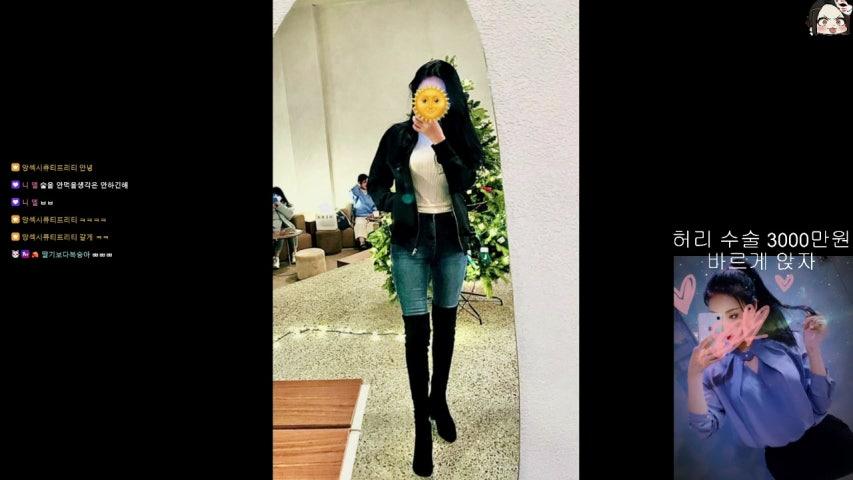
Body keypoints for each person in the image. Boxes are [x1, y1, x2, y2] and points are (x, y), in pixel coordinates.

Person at [368, 59, 483, 477]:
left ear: (448, 99)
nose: (429, 98)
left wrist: (440, 141)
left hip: (451, 241)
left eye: (438, 91)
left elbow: (465, 181)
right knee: (417, 335)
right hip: (410, 244)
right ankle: (421, 425)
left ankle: (440, 401)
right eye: (422, 90)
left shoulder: (458, 136)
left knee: (446, 326)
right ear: (415, 94)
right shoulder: (397, 136)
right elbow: (376, 183)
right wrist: (397, 204)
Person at [688, 267, 853, 480]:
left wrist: (813, 349)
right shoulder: (714, 370)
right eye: (717, 318)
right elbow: (703, 427)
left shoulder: (787, 341)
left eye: (734, 315)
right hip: (785, 463)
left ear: (754, 308)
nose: (726, 327)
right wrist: (694, 374)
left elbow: (821, 403)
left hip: (827, 440)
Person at [350, 174, 379, 250]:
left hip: (371, 216)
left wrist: (373, 214)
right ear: (360, 183)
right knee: (360, 224)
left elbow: (375, 207)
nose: (366, 184)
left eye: (367, 182)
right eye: (364, 182)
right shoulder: (357, 192)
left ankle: (369, 242)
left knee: (371, 225)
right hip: (360, 216)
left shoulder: (372, 193)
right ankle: (362, 243)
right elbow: (353, 190)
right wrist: (359, 185)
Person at [273, 186, 296, 270]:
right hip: (276, 226)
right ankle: (276, 258)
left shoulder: (287, 204)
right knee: (281, 234)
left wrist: (278, 205)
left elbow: (289, 215)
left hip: (287, 225)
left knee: (291, 230)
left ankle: (294, 253)